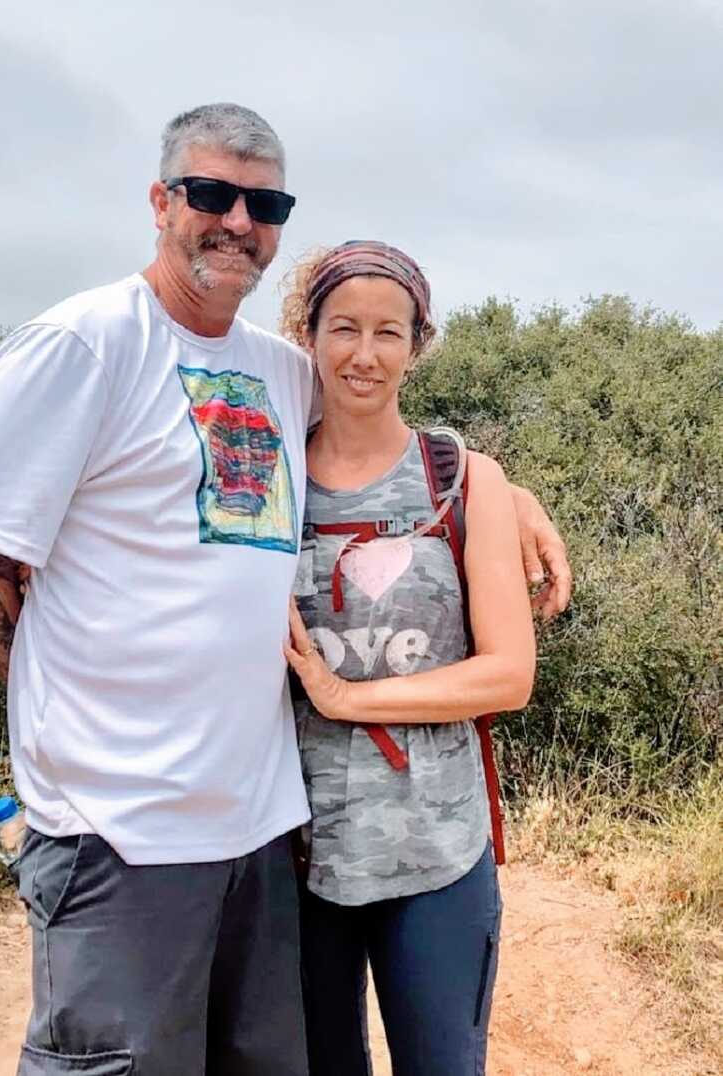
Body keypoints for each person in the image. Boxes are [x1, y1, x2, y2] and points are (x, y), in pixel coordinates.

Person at [0, 104, 569, 1076]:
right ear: (161, 201)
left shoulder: (273, 369)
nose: (236, 219)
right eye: (211, 193)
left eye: (265, 202)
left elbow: (374, 412)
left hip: (263, 833)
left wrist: (508, 490)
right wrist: (54, 693)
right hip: (118, 827)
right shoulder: (87, 342)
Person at [281, 241, 535, 1076]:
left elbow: (507, 674)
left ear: (417, 343)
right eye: (344, 328)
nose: (364, 354)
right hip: (293, 849)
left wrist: (342, 696)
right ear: (307, 334)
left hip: (437, 849)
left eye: (389, 332)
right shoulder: (267, 483)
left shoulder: (462, 480)